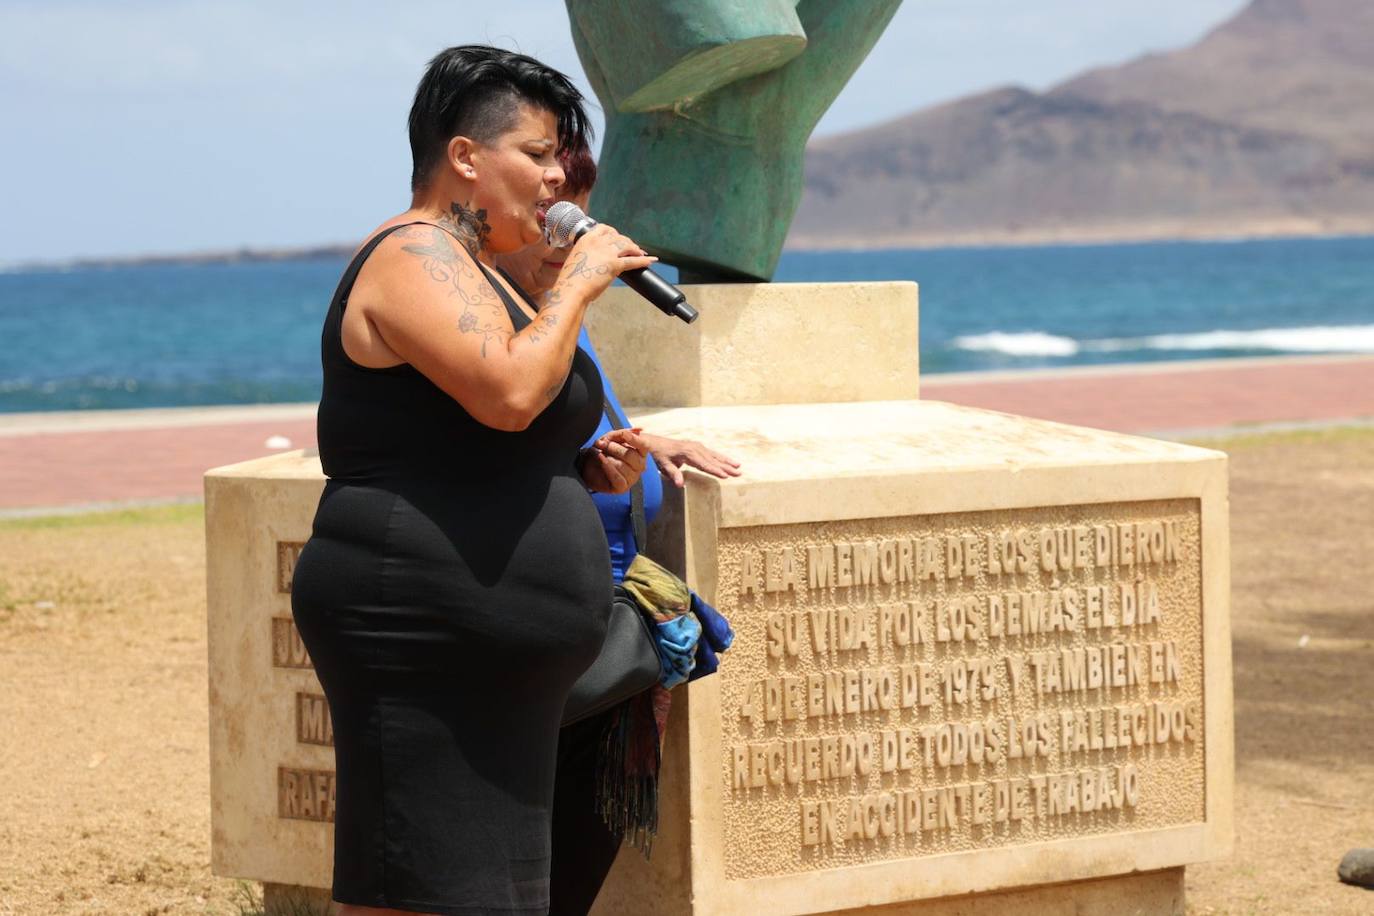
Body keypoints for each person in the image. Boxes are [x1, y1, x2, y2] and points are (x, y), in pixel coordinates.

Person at [290, 46, 659, 916]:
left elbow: (481, 433)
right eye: (537, 154)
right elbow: (509, 394)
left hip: (494, 655)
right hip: (421, 633)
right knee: (417, 891)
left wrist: (578, 473)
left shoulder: (479, 270)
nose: (557, 178)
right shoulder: (412, 252)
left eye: (560, 158)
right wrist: (577, 284)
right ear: (464, 156)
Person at [493, 144, 740, 916]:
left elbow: (570, 430)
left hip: (609, 643)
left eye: (579, 213)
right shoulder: (499, 325)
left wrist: (642, 442)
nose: (569, 235)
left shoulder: (570, 321)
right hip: (545, 646)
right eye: (551, 215)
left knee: (573, 877)